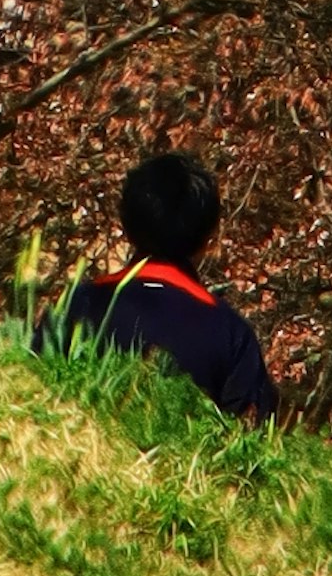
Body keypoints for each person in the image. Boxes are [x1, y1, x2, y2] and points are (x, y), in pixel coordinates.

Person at [43, 147, 282, 421]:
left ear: (126, 223)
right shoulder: (231, 334)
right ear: (208, 237)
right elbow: (254, 436)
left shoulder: (80, 305)